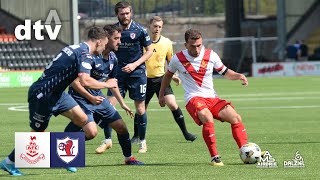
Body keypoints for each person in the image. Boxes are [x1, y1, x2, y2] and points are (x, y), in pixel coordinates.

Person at [0, 26, 116, 176]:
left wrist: (91, 97)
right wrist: (107, 84)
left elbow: (73, 77)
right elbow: (85, 80)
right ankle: (9, 162)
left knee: (85, 122)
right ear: (99, 42)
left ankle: (64, 157)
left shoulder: (75, 48)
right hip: (43, 94)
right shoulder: (84, 54)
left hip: (58, 94)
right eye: (105, 44)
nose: (105, 48)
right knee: (38, 134)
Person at [159, 29, 251, 166]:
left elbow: (225, 72)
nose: (196, 49)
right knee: (207, 117)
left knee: (236, 118)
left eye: (199, 45)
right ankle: (215, 157)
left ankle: (245, 151)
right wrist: (161, 95)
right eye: (192, 46)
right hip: (193, 98)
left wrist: (239, 76)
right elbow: (167, 76)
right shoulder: (177, 58)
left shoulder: (211, 55)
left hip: (212, 98)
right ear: (185, 45)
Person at [64, 25, 144, 170]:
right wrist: (90, 96)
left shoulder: (113, 58)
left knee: (121, 127)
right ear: (106, 40)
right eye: (116, 38)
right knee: (91, 132)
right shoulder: (90, 56)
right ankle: (62, 144)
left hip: (98, 98)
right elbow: (76, 82)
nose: (120, 41)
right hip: (80, 99)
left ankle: (128, 158)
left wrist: (122, 103)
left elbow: (112, 83)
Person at [96, 1, 153, 154]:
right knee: (108, 106)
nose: (125, 16)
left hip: (137, 74)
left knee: (140, 109)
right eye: (122, 14)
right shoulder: (113, 32)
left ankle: (142, 142)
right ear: (117, 15)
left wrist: (135, 65)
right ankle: (107, 140)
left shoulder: (140, 30)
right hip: (117, 75)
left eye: (127, 13)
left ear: (131, 13)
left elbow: (149, 51)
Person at [144, 16, 196, 141]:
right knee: (141, 109)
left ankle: (186, 133)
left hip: (161, 79)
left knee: (173, 104)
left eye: (159, 27)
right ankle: (137, 136)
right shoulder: (142, 42)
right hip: (144, 80)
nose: (157, 29)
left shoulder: (166, 42)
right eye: (155, 26)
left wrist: (174, 76)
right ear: (149, 26)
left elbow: (170, 62)